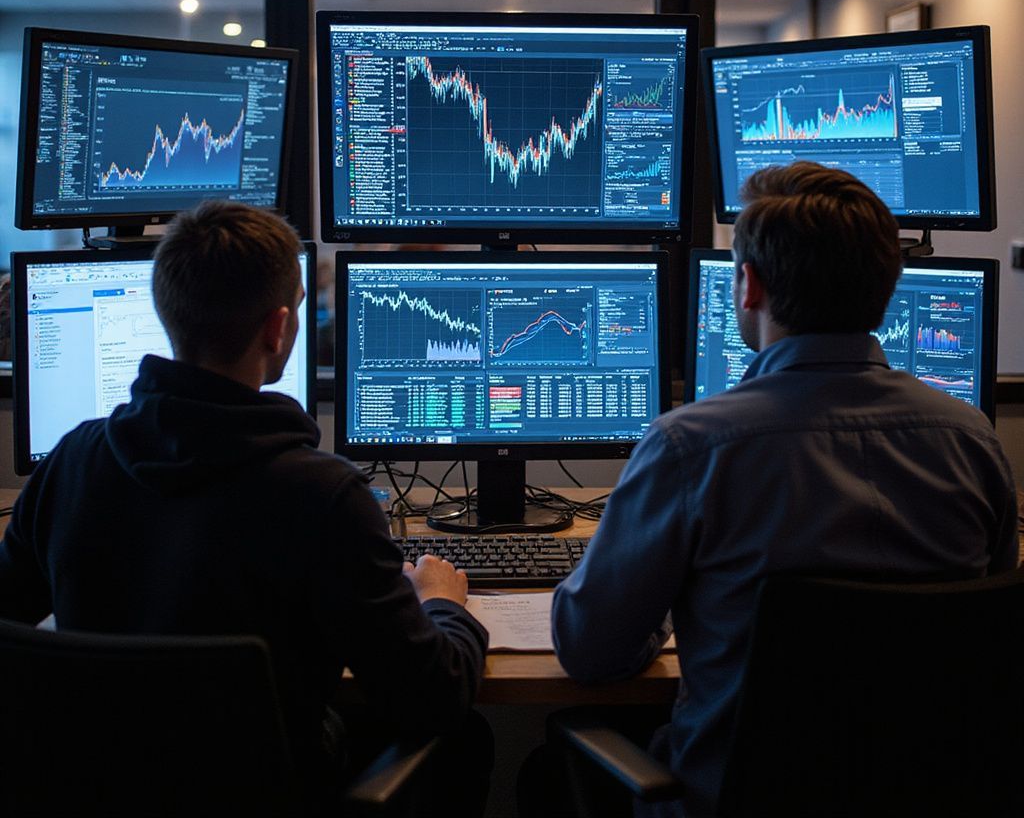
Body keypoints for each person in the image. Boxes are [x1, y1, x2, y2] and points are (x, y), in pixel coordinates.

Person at [535, 162, 1018, 818]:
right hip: (926, 793)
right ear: (888, 285)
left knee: (544, 771)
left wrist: (668, 614)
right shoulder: (973, 440)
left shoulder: (691, 447)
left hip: (730, 799)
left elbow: (589, 649)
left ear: (749, 285)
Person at [0, 201, 490, 815]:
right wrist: (444, 602)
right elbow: (434, 697)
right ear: (278, 327)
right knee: (466, 738)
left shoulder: (71, 461)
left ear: (165, 311)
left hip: (97, 790)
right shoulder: (325, 496)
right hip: (269, 792)